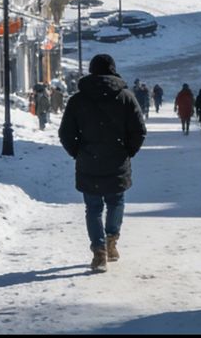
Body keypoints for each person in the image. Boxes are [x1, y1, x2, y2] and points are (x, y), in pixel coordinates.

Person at [59, 53, 146, 273]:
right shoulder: (125, 97)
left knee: (93, 207)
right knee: (116, 201)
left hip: (89, 160)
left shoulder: (78, 99)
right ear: (113, 70)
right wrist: (127, 151)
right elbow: (138, 130)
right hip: (117, 159)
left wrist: (79, 152)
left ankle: (99, 252)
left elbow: (66, 133)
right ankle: (111, 240)